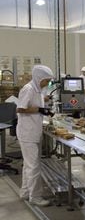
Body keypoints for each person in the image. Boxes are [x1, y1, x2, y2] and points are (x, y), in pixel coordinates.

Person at [17, 65, 54, 206]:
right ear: (39, 78)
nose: (47, 83)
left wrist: (44, 99)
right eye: (46, 80)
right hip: (27, 132)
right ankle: (35, 197)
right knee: (34, 166)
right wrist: (40, 109)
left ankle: (25, 192)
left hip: (33, 131)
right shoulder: (29, 88)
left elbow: (33, 101)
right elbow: (20, 108)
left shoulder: (37, 90)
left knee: (29, 165)